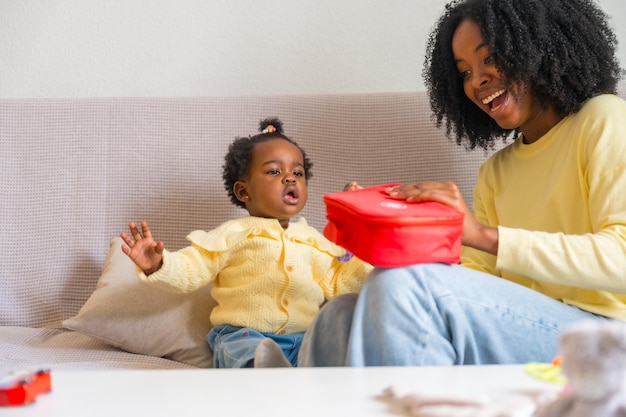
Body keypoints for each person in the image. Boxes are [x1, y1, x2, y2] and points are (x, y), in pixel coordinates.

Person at [298, 0, 626, 367]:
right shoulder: (495, 174)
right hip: (533, 330)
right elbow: (473, 288)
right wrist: (389, 229)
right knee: (339, 314)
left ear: (536, 49)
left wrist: (482, 234)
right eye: (464, 71)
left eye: (490, 58)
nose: (477, 80)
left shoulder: (603, 118)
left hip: (606, 337)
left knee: (406, 287)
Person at [120, 118, 372, 368]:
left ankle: (300, 372)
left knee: (331, 340)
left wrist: (357, 224)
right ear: (243, 191)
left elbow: (343, 283)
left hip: (303, 338)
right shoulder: (232, 234)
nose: (290, 178)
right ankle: (262, 371)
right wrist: (158, 264)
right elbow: (192, 268)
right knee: (241, 349)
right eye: (274, 171)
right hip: (245, 335)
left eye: (297, 172)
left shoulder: (313, 241)